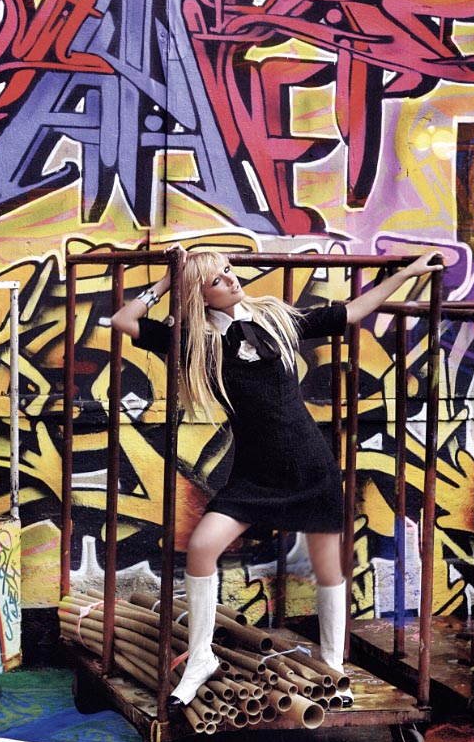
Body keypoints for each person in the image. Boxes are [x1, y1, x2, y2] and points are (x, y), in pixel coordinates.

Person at [111, 244, 442, 710]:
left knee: (329, 568)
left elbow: (351, 311)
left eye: (229, 270)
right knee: (202, 547)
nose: (232, 279)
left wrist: (406, 272)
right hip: (254, 473)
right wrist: (171, 278)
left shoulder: (276, 318)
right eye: (217, 280)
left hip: (310, 465)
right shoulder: (193, 341)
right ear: (199, 295)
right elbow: (123, 320)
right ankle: (201, 658)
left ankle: (334, 668)